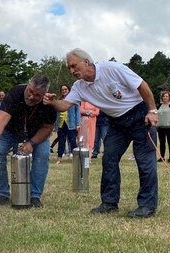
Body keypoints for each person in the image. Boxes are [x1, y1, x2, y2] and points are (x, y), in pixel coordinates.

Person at [43, 48, 158, 218]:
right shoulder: (79, 87)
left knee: (144, 160)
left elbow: (142, 85)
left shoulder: (112, 69)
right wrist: (53, 102)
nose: (72, 71)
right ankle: (109, 202)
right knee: (109, 158)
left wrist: (152, 111)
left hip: (139, 115)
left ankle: (147, 205)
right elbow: (64, 105)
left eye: (74, 66)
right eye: (69, 68)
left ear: (86, 62)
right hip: (117, 122)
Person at [0, 75, 56, 207]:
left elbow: (48, 128)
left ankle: (34, 196)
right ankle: (2, 194)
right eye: (30, 91)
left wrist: (32, 143)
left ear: (44, 94)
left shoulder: (49, 103)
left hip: (37, 133)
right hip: (10, 131)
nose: (31, 97)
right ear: (28, 85)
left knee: (43, 155)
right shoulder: (15, 93)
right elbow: (1, 118)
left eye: (37, 95)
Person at [55, 84, 80, 164]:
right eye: (62, 90)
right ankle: (59, 158)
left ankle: (76, 158)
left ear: (69, 90)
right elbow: (56, 114)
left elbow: (77, 112)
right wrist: (55, 125)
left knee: (72, 141)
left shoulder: (74, 100)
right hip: (61, 124)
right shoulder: (59, 101)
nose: (64, 91)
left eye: (65, 89)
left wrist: (78, 123)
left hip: (71, 124)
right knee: (61, 141)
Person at [156, 90, 170, 162]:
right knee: (162, 143)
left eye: (166, 96)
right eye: (164, 96)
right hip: (161, 128)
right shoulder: (159, 105)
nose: (165, 97)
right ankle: (162, 157)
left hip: (169, 128)